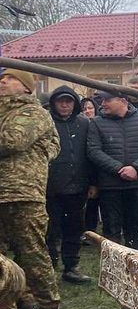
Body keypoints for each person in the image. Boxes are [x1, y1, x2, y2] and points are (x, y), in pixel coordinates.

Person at [0, 68, 62, 309]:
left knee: (32, 253)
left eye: (10, 78)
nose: (3, 81)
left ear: (26, 87)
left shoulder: (33, 113)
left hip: (23, 193)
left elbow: (11, 141)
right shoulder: (4, 112)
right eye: (2, 78)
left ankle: (49, 307)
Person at [87, 89, 138, 251]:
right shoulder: (97, 123)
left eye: (107, 100)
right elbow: (93, 151)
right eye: (102, 100)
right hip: (110, 187)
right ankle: (114, 269)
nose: (102, 104)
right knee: (111, 231)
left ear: (123, 101)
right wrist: (119, 169)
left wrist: (135, 167)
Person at [45, 86, 92, 284]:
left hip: (78, 187)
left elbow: (91, 154)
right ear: (54, 103)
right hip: (50, 187)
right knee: (50, 230)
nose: (65, 105)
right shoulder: (45, 122)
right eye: (60, 101)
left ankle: (71, 267)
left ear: (74, 104)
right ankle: (48, 270)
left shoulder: (84, 123)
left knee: (74, 229)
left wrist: (93, 183)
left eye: (69, 101)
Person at [80, 96, 101, 237]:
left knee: (94, 203)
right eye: (84, 109)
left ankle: (92, 232)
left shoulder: (100, 125)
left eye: (90, 108)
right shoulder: (79, 126)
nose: (87, 111)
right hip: (82, 171)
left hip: (99, 170)